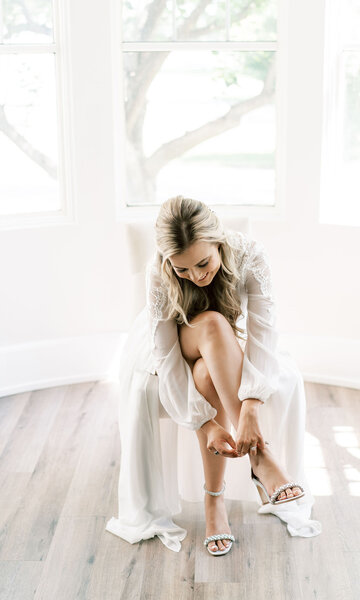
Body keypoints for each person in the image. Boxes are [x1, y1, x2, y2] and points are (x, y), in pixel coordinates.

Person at [105, 195, 322, 554]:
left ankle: (213, 502)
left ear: (218, 240)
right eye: (183, 270)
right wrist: (204, 423)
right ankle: (260, 458)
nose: (196, 276)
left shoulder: (251, 253)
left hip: (219, 350)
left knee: (207, 374)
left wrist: (251, 407)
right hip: (175, 342)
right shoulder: (159, 272)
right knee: (212, 324)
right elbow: (167, 357)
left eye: (203, 263)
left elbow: (263, 333)